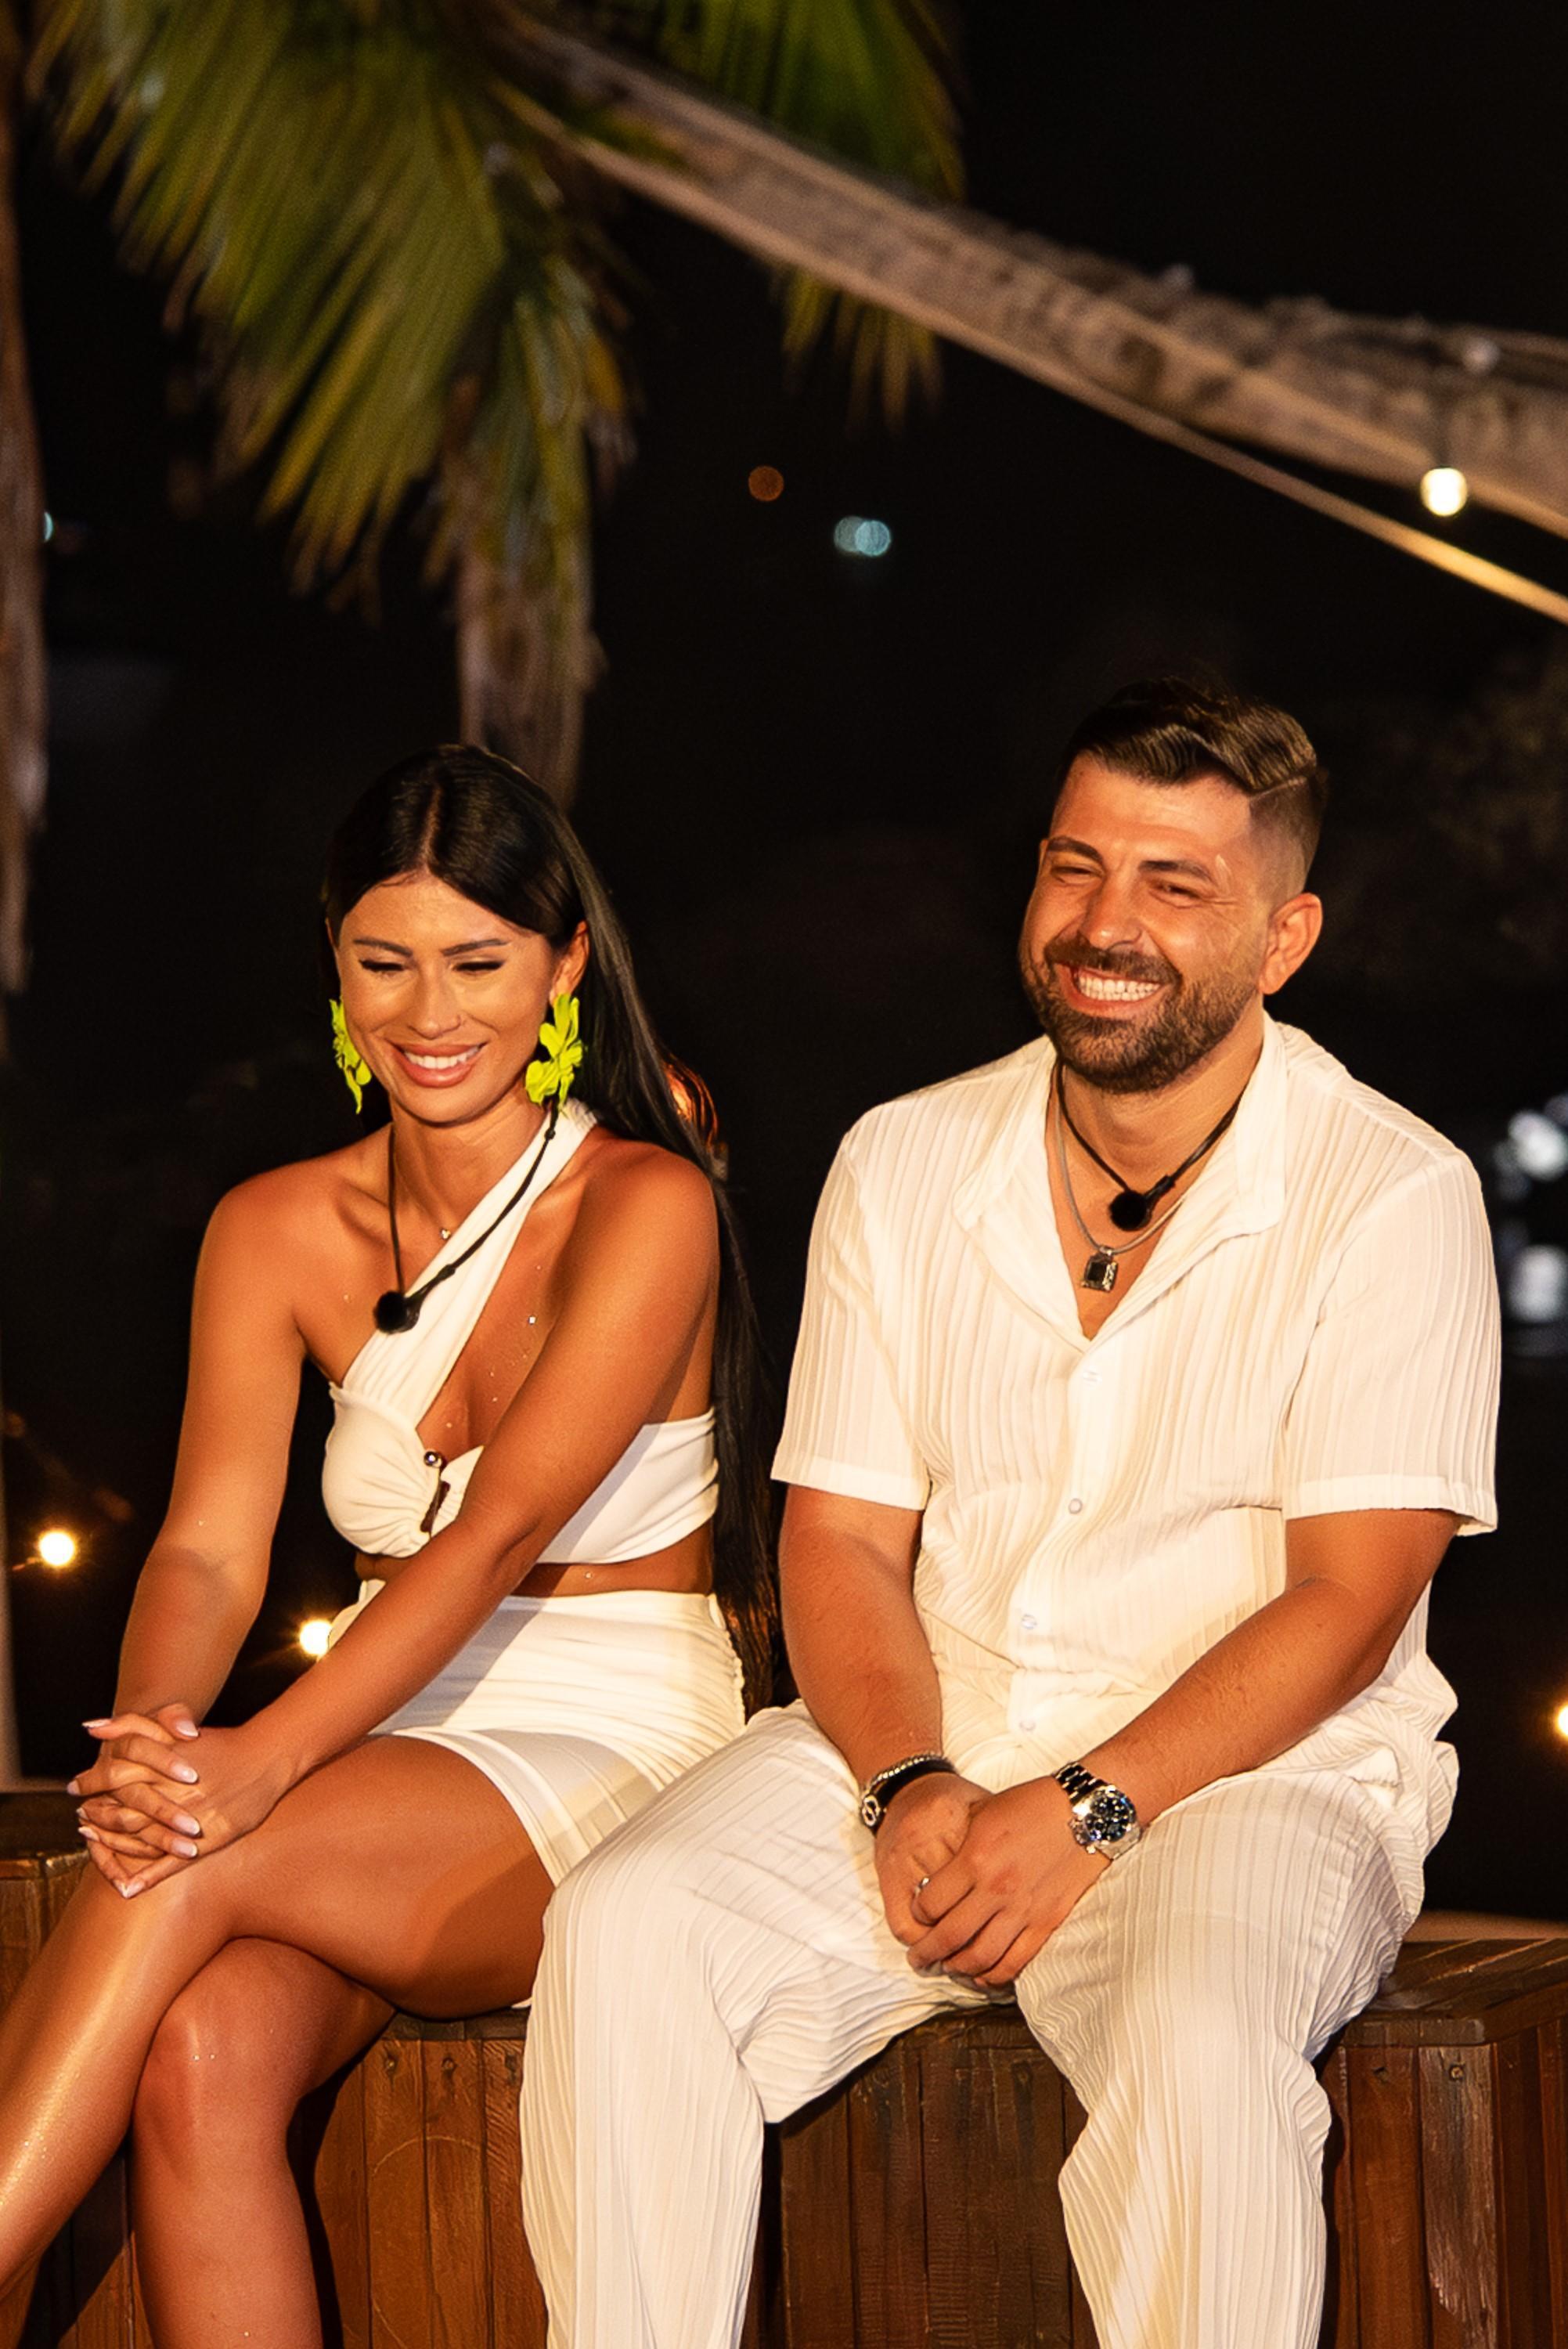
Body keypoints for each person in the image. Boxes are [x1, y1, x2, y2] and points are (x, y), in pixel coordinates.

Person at [518, 678, 1501, 2349]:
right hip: (932, 1737)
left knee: (1200, 2045)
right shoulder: (903, 1159)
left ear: (1285, 938)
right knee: (626, 1930)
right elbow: (841, 1540)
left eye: (1175, 885)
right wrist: (906, 1777)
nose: (1106, 925)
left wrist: (1090, 1809)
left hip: (1252, 1779)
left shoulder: (1393, 1194)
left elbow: (1351, 1602)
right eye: (1076, 864)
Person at [0, 745, 771, 2347]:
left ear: (563, 965)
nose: (431, 1012)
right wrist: (157, 1737)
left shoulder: (647, 1204)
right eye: (386, 962)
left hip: (613, 1732)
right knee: (202, 2056)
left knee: (183, 1855)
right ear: (334, 965)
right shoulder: (274, 1226)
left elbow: (496, 1533)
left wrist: (250, 1771)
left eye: (478, 963)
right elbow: (207, 1554)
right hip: (376, 1735)